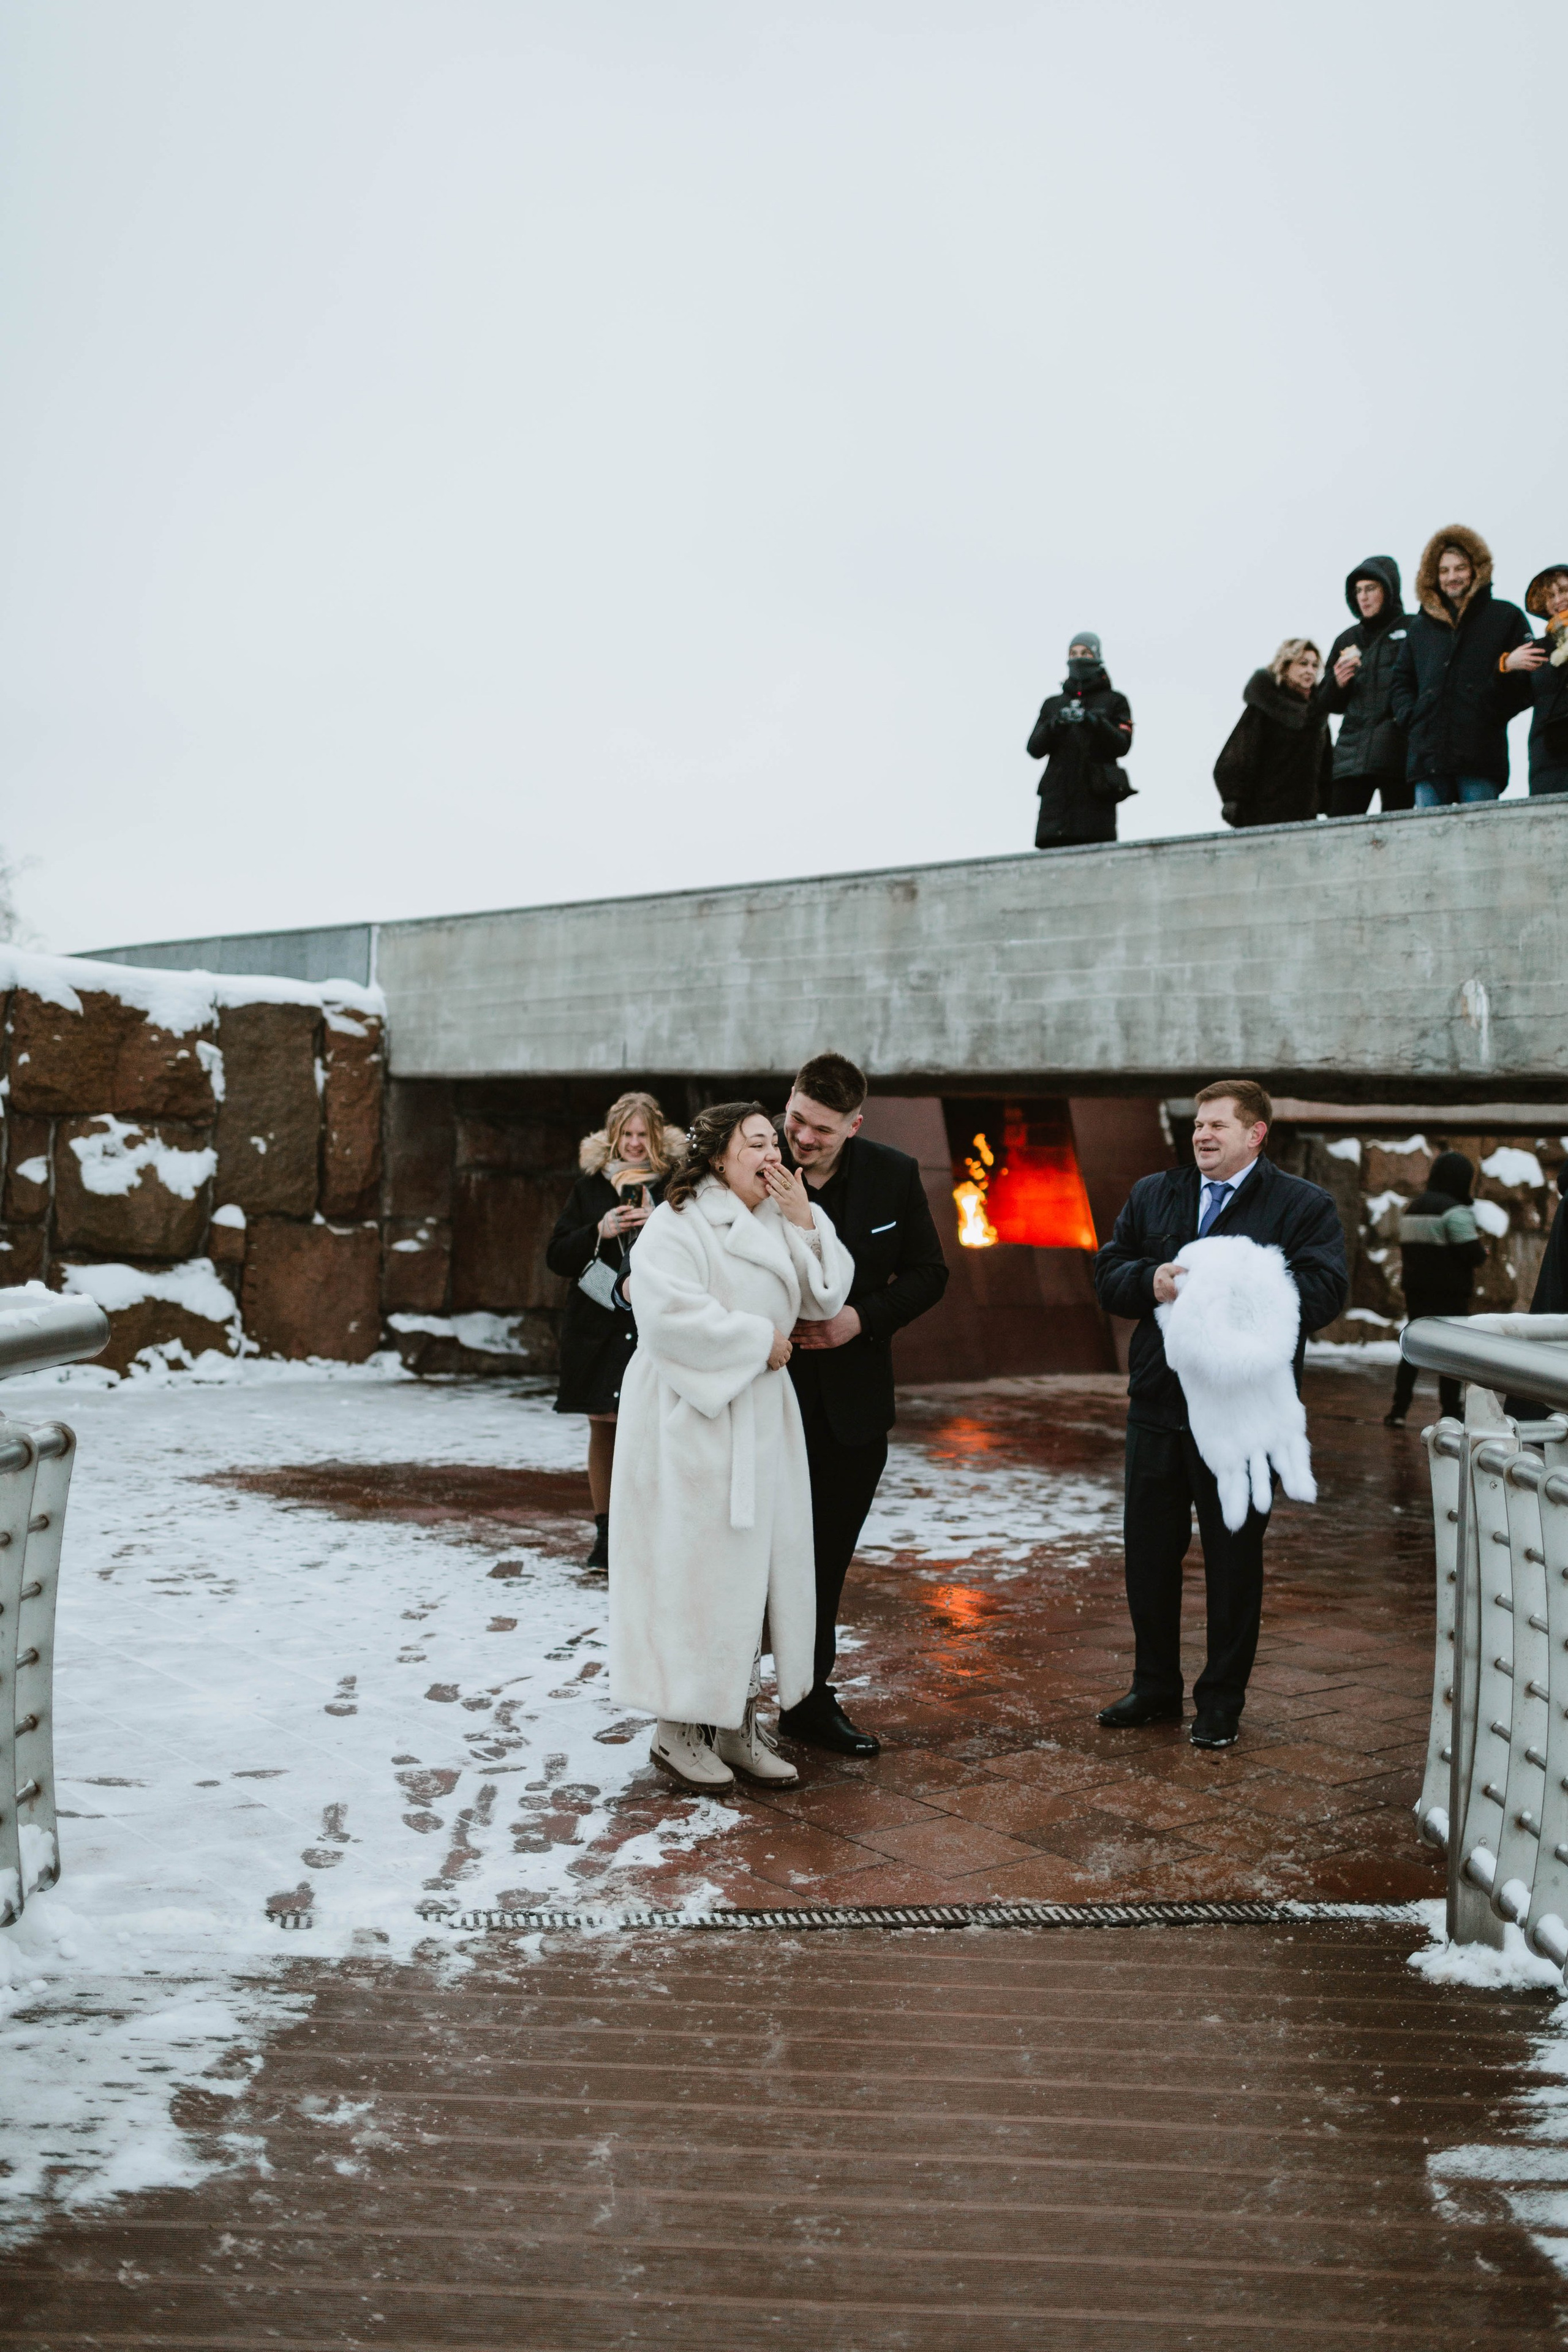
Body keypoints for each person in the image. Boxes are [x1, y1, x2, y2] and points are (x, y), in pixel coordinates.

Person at [1091, 1081, 1348, 1749]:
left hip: (1240, 1415)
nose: (1201, 1136)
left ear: (1256, 1134)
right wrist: (1152, 1281)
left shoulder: (1302, 1205)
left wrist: (1233, 1281)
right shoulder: (1155, 1192)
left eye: (1217, 1126)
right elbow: (1109, 1272)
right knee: (1148, 1555)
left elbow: (1322, 1293)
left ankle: (1220, 1700)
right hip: (1158, 1401)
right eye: (1198, 1125)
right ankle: (1153, 1687)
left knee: (1233, 1559)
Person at [607, 1102, 854, 1792]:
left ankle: (734, 1721)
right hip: (691, 1415)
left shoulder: (781, 1215)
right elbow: (665, 1317)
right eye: (757, 1142)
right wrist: (756, 1342)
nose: (773, 1151)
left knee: (756, 1573)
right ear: (718, 1157)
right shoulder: (678, 1223)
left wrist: (806, 1219)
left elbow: (827, 1297)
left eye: (774, 1141)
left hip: (762, 1416)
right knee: (695, 1571)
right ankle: (677, 1728)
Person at [775, 1052, 951, 1755]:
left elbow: (931, 1273)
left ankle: (807, 1699)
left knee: (823, 1561)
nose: (802, 1138)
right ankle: (718, 1703)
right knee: (747, 1556)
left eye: (820, 1128)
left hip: (851, 1409)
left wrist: (862, 1318)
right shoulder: (747, 1161)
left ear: (854, 1125)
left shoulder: (893, 1174)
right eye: (794, 1119)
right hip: (762, 1398)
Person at [546, 1091, 683, 1569]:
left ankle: (647, 1530)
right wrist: (599, 1230)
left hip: (651, 1327)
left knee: (651, 1429)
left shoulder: (674, 1187)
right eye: (626, 1133)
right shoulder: (590, 1187)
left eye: (643, 1134)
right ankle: (607, 1535)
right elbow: (557, 1255)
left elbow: (695, 1248)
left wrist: (657, 1223)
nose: (634, 1144)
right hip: (597, 1327)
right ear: (612, 1136)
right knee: (604, 1428)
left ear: (658, 1137)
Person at [1390, 525, 1531, 807]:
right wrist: (1412, 716)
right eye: (1444, 571)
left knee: (1480, 844)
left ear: (1476, 570)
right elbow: (1401, 680)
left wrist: (1488, 708)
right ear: (1434, 576)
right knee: (1427, 844)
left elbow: (1528, 683)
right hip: (1427, 759)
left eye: (1460, 568)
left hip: (1480, 756)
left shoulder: (1505, 616)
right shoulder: (1419, 628)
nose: (1452, 577)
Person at [1384, 1152, 1487, 1428]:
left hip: (1416, 1291)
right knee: (1451, 1352)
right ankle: (1451, 1411)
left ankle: (1398, 1409)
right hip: (1450, 1293)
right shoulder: (1455, 1211)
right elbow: (1473, 1254)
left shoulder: (1413, 1208)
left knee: (1412, 1349)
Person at [1316, 557, 1414, 815]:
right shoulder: (1346, 639)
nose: (1363, 597)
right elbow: (1327, 703)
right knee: (1339, 832)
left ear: (1389, 590)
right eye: (1358, 591)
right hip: (1351, 754)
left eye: (1371, 589)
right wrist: (1337, 683)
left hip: (1399, 751)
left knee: (1398, 834)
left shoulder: (1414, 628)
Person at [1027, 631, 1135, 848]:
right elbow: (1034, 749)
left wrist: (1093, 721)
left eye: (1085, 653)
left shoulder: (1115, 701)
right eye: (1073, 653)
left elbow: (1122, 745)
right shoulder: (1053, 704)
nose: (1078, 659)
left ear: (1096, 657)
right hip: (1056, 810)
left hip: (1096, 807)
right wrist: (1056, 724)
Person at [1213, 640, 1332, 827]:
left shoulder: (1317, 714)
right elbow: (1238, 754)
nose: (1310, 670)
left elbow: (1326, 762)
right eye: (1303, 663)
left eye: (1315, 665)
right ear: (1285, 666)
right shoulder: (1266, 707)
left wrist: (1328, 801)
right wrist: (1233, 800)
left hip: (1304, 816)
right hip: (1262, 813)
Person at [1501, 564, 1568, 798]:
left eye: (1564, 590)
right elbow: (1507, 700)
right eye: (1551, 595)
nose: (1558, 600)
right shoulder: (1537, 649)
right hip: (1549, 756)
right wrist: (1507, 665)